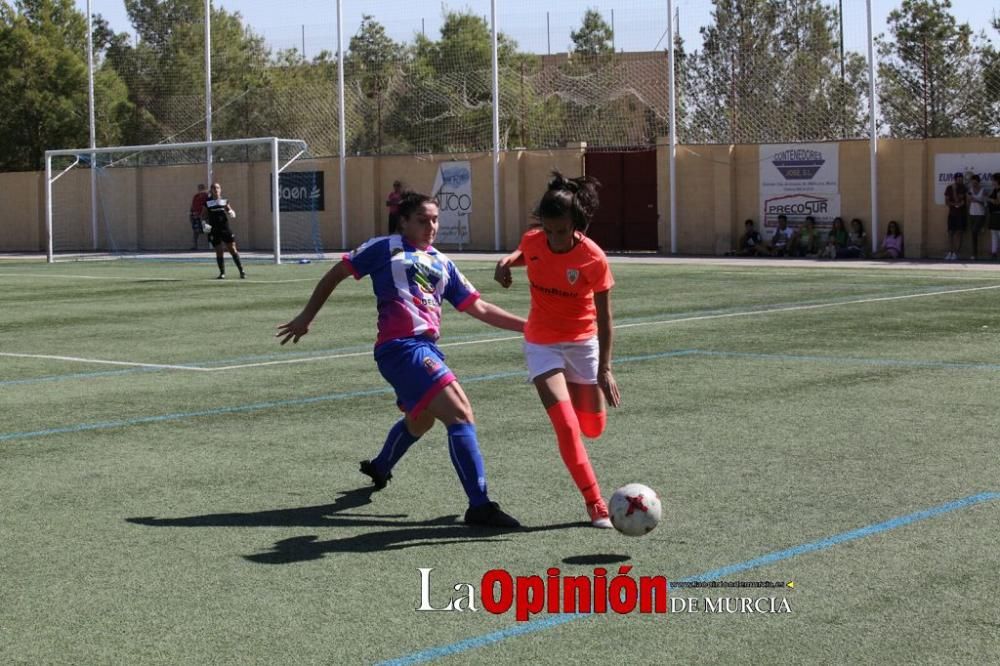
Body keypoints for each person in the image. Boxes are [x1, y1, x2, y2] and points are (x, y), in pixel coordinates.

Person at [277, 191, 524, 529]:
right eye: (423, 220)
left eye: (435, 220)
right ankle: (479, 506)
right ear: (404, 221)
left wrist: (529, 327)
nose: (431, 226)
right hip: (401, 348)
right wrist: (307, 315)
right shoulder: (384, 247)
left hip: (425, 349)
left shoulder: (442, 262)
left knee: (421, 421)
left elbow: (477, 307)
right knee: (461, 413)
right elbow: (336, 273)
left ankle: (381, 466)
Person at [493, 172, 622, 529]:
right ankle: (595, 503)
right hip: (542, 342)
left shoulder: (593, 258)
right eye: (548, 230)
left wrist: (605, 368)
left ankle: (585, 414)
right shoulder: (535, 241)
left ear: (576, 224)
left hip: (582, 343)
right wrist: (505, 262)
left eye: (561, 231)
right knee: (566, 427)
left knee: (592, 428)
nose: (553, 239)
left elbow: (606, 318)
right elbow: (526, 252)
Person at [201, 182, 246, 280]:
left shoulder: (224, 201)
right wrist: (204, 224)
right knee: (219, 251)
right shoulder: (207, 202)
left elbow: (229, 209)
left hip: (225, 229)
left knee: (232, 249)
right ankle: (222, 273)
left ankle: (241, 271)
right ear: (211, 191)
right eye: (214, 188)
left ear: (220, 189)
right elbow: (203, 215)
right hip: (214, 230)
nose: (216, 190)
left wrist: (231, 212)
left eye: (218, 188)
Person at [944, 172, 967, 261]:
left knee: (959, 233)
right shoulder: (949, 188)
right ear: (955, 179)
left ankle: (956, 253)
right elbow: (947, 202)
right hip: (952, 214)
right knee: (950, 233)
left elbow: (959, 201)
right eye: (958, 179)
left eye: (961, 178)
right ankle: (950, 252)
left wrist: (954, 191)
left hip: (961, 215)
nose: (960, 180)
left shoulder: (963, 188)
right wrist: (954, 204)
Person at [967, 174, 987, 261]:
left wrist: (976, 200)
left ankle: (982, 226)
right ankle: (974, 254)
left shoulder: (983, 191)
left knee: (974, 231)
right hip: (972, 214)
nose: (973, 184)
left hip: (980, 214)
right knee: (973, 234)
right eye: (972, 182)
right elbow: (968, 202)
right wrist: (969, 200)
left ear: (978, 182)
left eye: (975, 182)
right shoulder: (970, 190)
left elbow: (985, 204)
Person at [189, 184, 209, 250]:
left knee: (207, 230)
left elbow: (206, 206)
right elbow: (192, 206)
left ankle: (212, 244)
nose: (200, 190)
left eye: (201, 188)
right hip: (196, 216)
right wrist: (191, 214)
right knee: (195, 231)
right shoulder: (196, 196)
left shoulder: (207, 196)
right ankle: (195, 246)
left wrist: (203, 215)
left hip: (204, 216)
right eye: (199, 188)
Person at [988, 173, 1000, 261]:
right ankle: (994, 252)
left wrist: (987, 199)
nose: (992, 181)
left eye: (993, 180)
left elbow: (997, 202)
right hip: (993, 215)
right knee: (994, 234)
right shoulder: (994, 190)